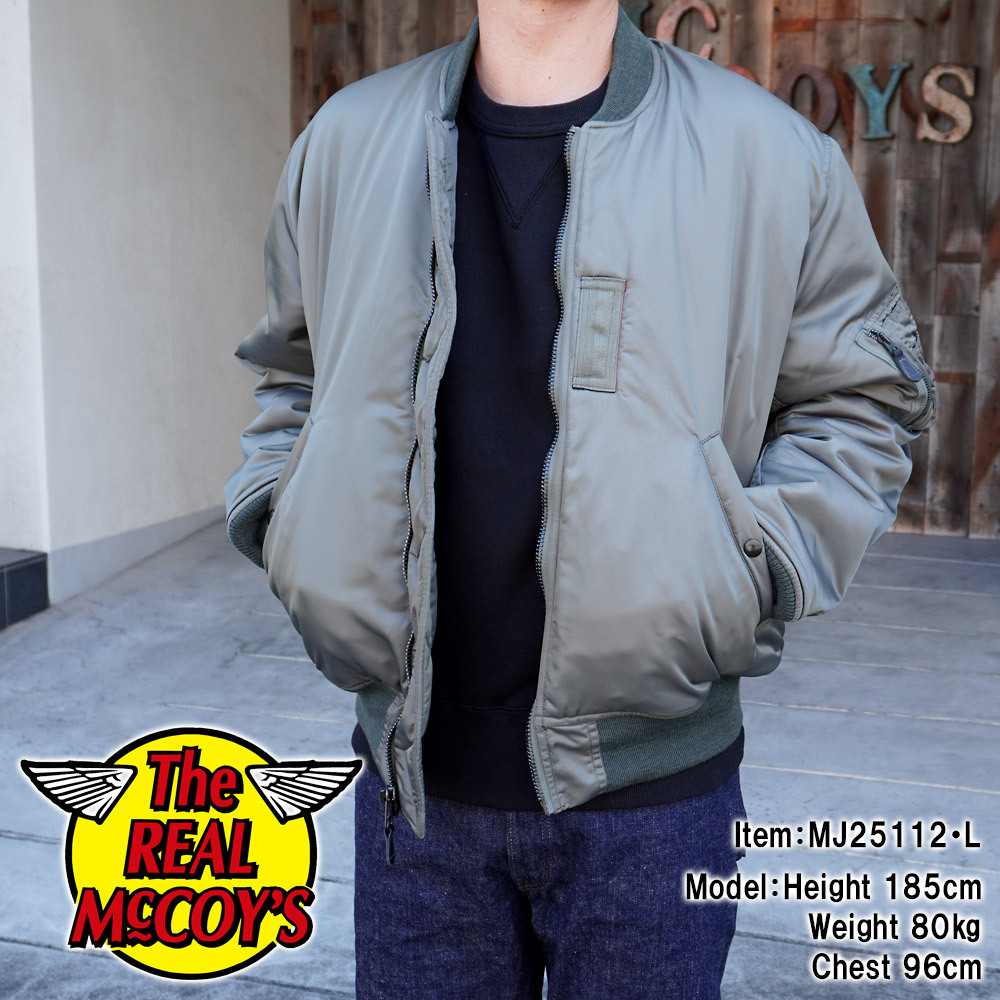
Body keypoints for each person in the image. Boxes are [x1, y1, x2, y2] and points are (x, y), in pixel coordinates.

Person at [224, 2, 939, 997]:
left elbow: (863, 399)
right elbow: (295, 375)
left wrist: (747, 567)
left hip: (655, 803)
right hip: (411, 793)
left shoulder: (770, 153)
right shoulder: (346, 140)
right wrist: (289, 515)